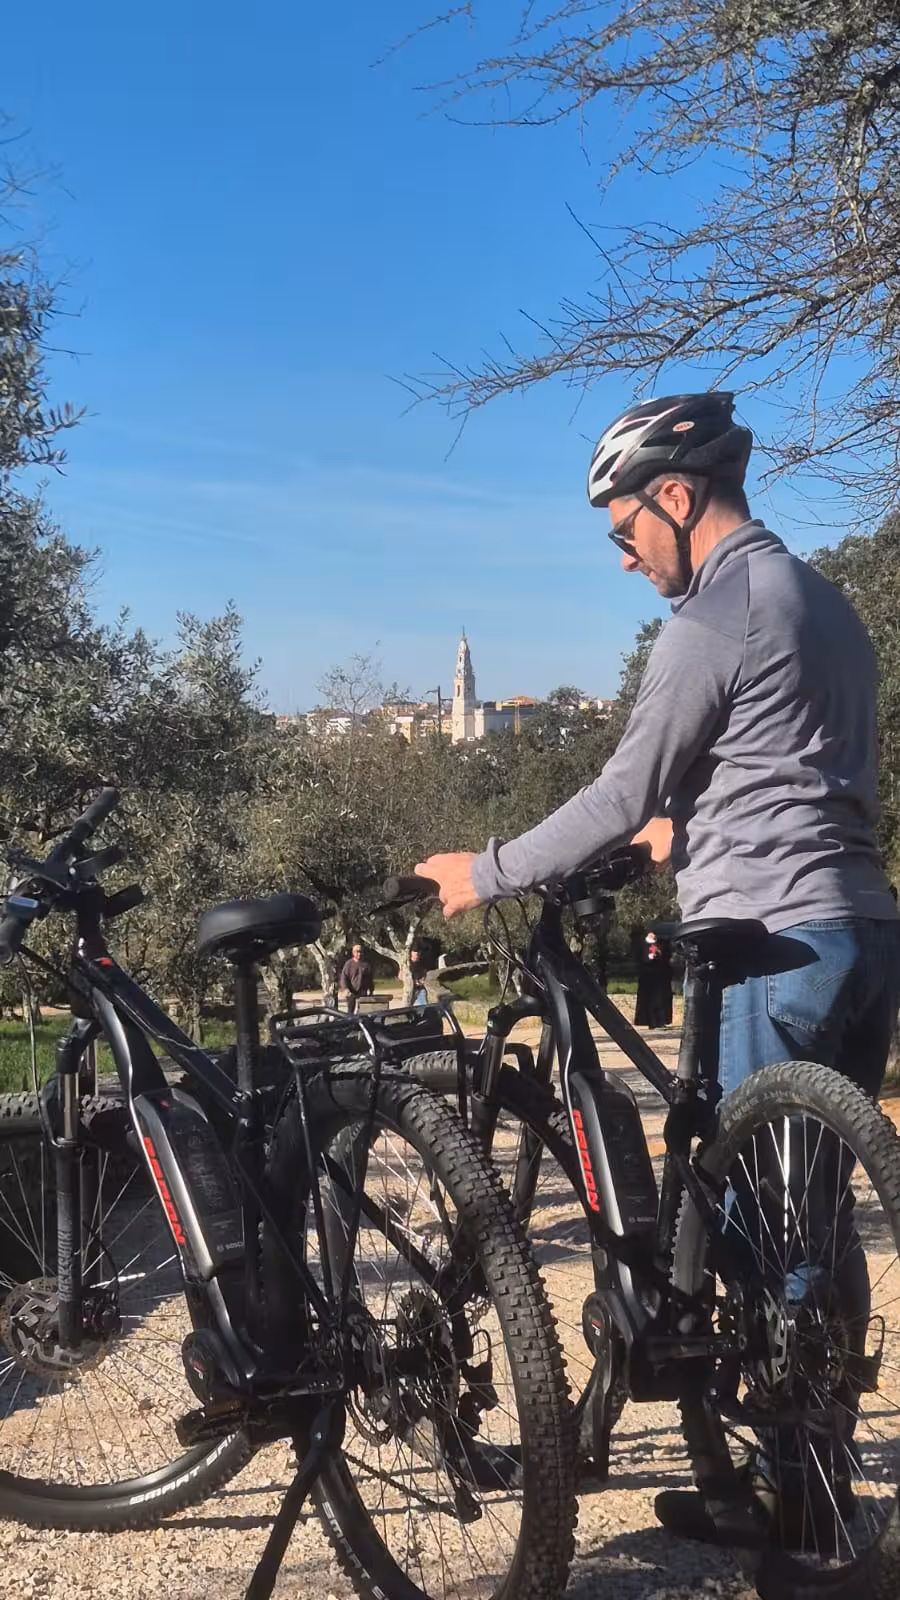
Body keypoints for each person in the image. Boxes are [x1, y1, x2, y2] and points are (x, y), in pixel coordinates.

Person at [415, 390, 900, 1541]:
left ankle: (799, 1511)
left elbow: (620, 788)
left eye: (624, 528)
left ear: (676, 498)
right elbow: (789, 759)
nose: (624, 555)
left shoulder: (710, 618)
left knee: (752, 1233)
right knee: (810, 1222)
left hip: (771, 941)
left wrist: (485, 868)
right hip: (863, 929)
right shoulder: (821, 602)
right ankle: (816, 1472)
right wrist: (690, 825)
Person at [633, 930, 673, 1028]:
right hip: (646, 977)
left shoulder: (662, 944)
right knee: (647, 1001)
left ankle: (660, 1021)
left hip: (659, 977)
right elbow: (638, 959)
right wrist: (647, 958)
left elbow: (667, 958)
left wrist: (659, 955)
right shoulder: (642, 945)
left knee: (659, 1000)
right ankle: (648, 1021)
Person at [339, 941, 373, 1014]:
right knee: (350, 1012)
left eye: (361, 952)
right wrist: (345, 989)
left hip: (363, 991)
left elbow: (370, 978)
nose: (359, 954)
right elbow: (343, 977)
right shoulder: (349, 964)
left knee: (364, 1012)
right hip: (351, 991)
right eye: (357, 952)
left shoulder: (366, 964)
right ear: (353, 952)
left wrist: (371, 989)